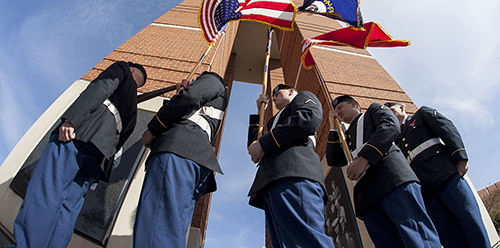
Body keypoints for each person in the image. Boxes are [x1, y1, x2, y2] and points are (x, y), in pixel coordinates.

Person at [9, 61, 147, 248]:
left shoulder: (121, 69)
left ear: (131, 70)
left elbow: (100, 88)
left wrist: (72, 120)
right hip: (98, 157)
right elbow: (122, 138)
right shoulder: (133, 108)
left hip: (79, 136)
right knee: (68, 207)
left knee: (48, 191)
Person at [326, 95, 441, 248]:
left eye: (340, 107)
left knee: (416, 236)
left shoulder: (373, 110)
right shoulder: (346, 137)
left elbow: (390, 125)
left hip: (391, 181)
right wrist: (333, 127)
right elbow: (333, 159)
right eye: (336, 110)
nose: (338, 112)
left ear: (353, 104)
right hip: (368, 197)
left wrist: (364, 158)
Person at [134, 71, 227, 248]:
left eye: (196, 79)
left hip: (178, 150)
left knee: (156, 226)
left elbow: (190, 97)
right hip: (192, 157)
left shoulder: (213, 79)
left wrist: (152, 129)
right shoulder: (213, 100)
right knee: (170, 230)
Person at [385, 102, 490, 248]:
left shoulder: (421, 115)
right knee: (449, 235)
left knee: (470, 221)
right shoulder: (395, 142)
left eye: (392, 110)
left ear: (402, 108)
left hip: (447, 176)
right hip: (427, 192)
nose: (390, 115)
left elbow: (446, 128)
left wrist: (460, 157)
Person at [247, 84, 335, 248]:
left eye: (278, 93)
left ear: (292, 91)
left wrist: (263, 143)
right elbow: (254, 149)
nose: (274, 98)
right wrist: (260, 113)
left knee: (307, 241)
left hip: (295, 172)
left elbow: (308, 119)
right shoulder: (274, 123)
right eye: (273, 96)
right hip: (272, 179)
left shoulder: (302, 97)